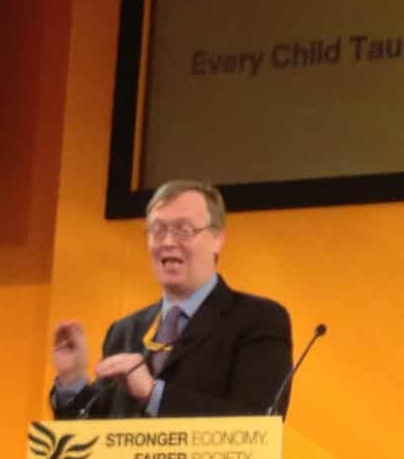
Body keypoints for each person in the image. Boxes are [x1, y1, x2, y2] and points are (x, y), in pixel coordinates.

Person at [49, 179, 293, 418]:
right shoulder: (124, 331)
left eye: (183, 230)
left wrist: (154, 394)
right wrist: (73, 380)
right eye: (157, 230)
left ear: (217, 238)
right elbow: (93, 437)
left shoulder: (259, 320)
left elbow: (258, 423)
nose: (167, 242)